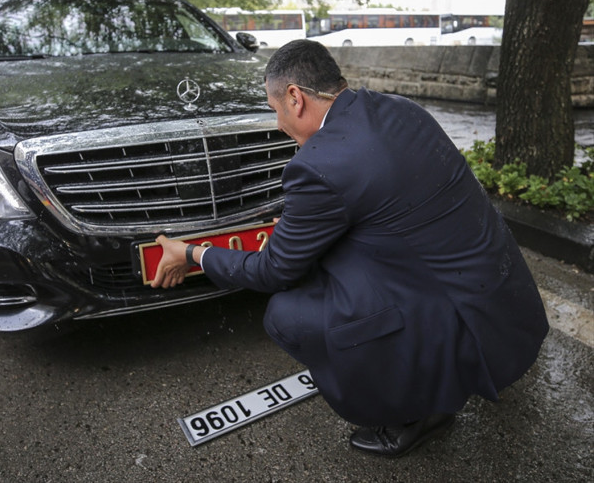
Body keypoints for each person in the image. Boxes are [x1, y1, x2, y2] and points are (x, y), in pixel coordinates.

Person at [151, 39, 549, 457]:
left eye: (275, 109)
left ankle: (415, 410)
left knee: (288, 314)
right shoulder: (399, 108)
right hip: (501, 298)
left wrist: (192, 253)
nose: (278, 124)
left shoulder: (319, 164)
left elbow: (273, 271)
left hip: (456, 319)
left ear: (295, 98)